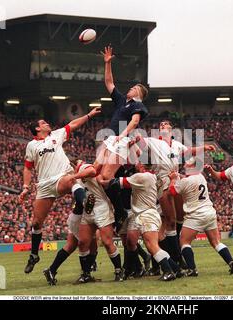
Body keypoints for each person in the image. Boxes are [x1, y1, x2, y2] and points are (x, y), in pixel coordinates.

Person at [18, 106, 101, 274]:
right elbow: (27, 168)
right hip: (44, 185)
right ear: (37, 128)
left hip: (62, 177)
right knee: (36, 223)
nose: (47, 123)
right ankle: (34, 255)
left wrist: (89, 115)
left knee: (71, 180)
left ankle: (84, 200)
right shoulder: (32, 146)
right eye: (43, 122)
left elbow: (73, 124)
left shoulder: (56, 135)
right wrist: (26, 187)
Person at [133, 120, 215, 268]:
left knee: (178, 219)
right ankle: (178, 259)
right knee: (170, 221)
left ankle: (174, 255)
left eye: (166, 124)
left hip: (176, 178)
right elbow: (142, 142)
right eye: (161, 124)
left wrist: (205, 147)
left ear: (172, 129)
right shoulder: (154, 141)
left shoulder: (176, 144)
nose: (164, 125)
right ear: (159, 130)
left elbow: (189, 151)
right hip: (163, 180)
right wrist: (138, 137)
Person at [95, 45, 149, 231]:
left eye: (134, 88)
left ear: (140, 94)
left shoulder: (138, 105)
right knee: (95, 174)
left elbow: (134, 122)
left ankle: (120, 210)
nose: (131, 88)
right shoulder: (122, 101)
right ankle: (116, 208)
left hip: (121, 141)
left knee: (104, 178)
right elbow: (109, 83)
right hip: (111, 139)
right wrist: (108, 63)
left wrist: (122, 135)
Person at [103, 162, 182, 281]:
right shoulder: (152, 176)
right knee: (141, 243)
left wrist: (100, 180)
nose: (136, 163)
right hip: (144, 214)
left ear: (142, 166)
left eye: (139, 162)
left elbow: (114, 183)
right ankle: (176, 269)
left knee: (152, 246)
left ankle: (168, 271)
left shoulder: (141, 176)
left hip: (146, 215)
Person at [168, 158, 233, 276]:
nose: (184, 165)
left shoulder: (186, 181)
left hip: (195, 215)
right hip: (209, 212)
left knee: (184, 242)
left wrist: (173, 179)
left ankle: (192, 269)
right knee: (216, 242)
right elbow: (187, 179)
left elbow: (172, 192)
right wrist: (180, 176)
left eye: (187, 164)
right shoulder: (201, 176)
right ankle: (231, 262)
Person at [76, 161, 124, 283]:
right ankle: (86, 274)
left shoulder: (85, 168)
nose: (79, 164)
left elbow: (92, 171)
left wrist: (73, 175)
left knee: (107, 242)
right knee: (82, 243)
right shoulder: (75, 178)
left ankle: (119, 270)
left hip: (101, 208)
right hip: (88, 209)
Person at [43, 180, 98, 286]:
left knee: (71, 246)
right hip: (80, 219)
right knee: (90, 244)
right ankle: (86, 273)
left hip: (77, 218)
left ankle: (51, 270)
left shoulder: (84, 183)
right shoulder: (82, 184)